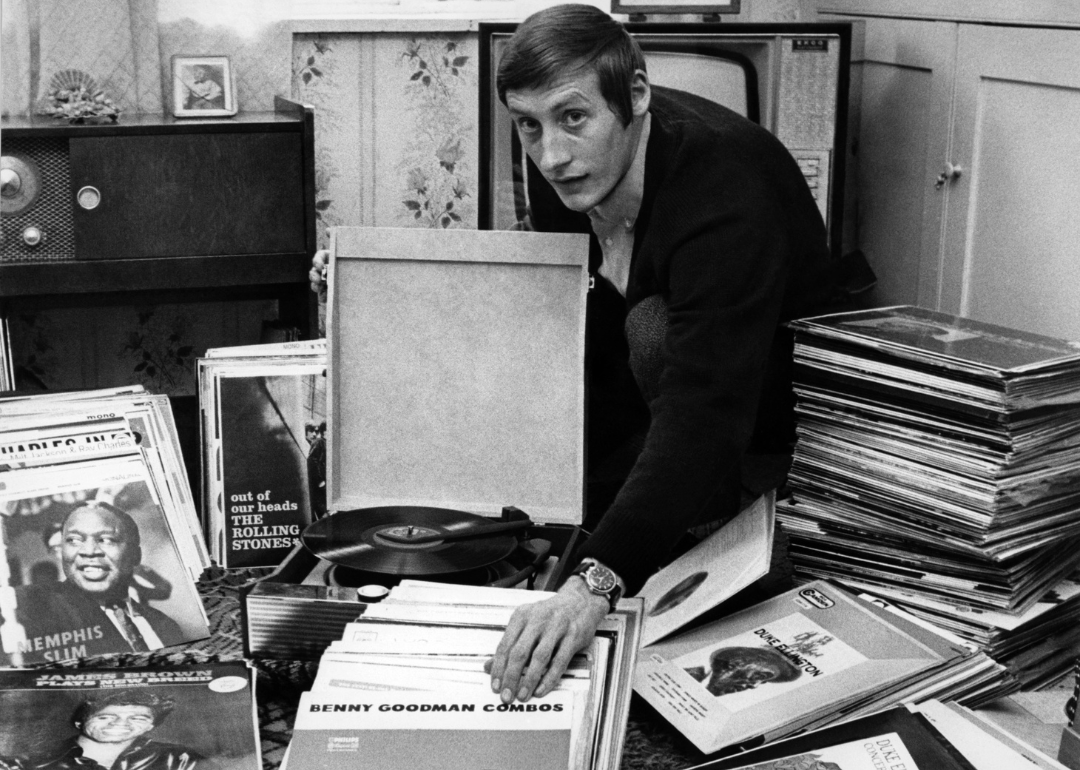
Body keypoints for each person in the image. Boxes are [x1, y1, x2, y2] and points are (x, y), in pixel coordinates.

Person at [308, 3, 841, 705]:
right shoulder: (564, 162)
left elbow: (705, 412)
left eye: (573, 118)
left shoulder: (726, 192)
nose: (551, 154)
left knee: (653, 331)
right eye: (528, 126)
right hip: (668, 385)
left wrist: (595, 581)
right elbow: (579, 334)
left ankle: (707, 533)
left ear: (637, 97)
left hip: (785, 406)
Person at [12, 501, 186, 661]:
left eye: (106, 540)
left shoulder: (168, 627)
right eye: (73, 540)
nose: (88, 551)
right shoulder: (35, 606)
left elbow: (163, 589)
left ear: (135, 555)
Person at [29, 690, 209, 770]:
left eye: (137, 718)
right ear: (79, 723)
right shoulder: (28, 764)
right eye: (105, 716)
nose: (120, 723)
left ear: (150, 726)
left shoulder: (180, 759)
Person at [684, 646, 803, 698]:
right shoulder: (685, 678)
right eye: (759, 676)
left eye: (763, 681)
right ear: (735, 663)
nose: (754, 686)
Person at [305, 419, 328, 520]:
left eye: (316, 431)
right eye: (311, 431)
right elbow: (312, 460)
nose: (314, 434)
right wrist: (320, 480)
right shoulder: (319, 442)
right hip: (318, 485)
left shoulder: (320, 443)